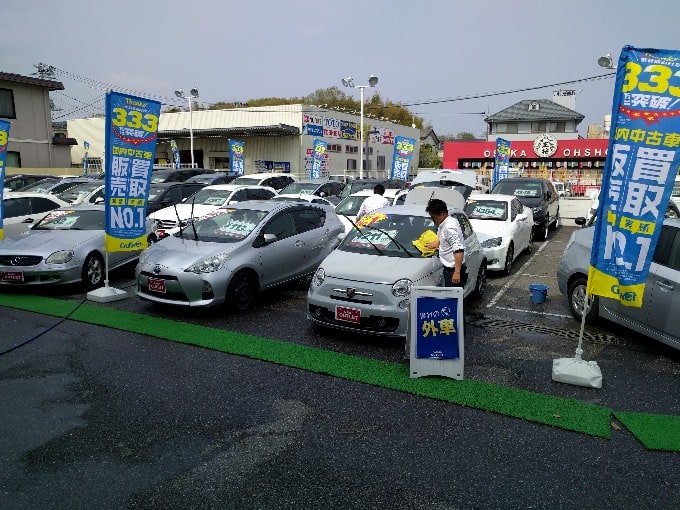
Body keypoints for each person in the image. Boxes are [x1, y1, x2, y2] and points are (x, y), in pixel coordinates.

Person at [425, 198, 467, 288]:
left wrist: (457, 272)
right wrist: (438, 243)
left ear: (443, 214)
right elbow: (446, 239)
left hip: (453, 270)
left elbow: (459, 250)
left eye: (434, 217)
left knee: (453, 300)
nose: (432, 220)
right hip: (451, 270)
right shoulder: (448, 221)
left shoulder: (449, 228)